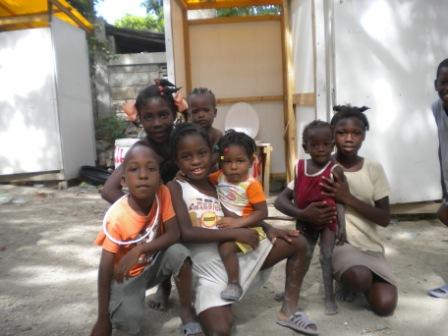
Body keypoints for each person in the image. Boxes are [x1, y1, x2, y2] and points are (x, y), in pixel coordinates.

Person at [167, 123, 318, 336]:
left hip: (236, 255)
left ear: (212, 155)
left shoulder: (218, 182)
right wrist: (234, 233)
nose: (196, 161)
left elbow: (236, 215)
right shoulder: (175, 187)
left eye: (202, 154)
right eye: (186, 157)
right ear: (177, 160)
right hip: (208, 270)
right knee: (220, 330)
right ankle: (210, 303)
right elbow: (185, 232)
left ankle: (289, 310)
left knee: (298, 242)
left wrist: (268, 228)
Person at [275, 105, 397, 317]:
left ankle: (360, 278)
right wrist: (303, 214)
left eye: (356, 133)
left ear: (364, 137)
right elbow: (286, 197)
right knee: (358, 277)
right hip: (342, 243)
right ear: (333, 136)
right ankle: (350, 278)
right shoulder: (317, 165)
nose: (349, 138)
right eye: (341, 133)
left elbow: (385, 218)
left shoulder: (373, 169)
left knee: (385, 306)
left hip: (369, 246)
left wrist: (347, 198)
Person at [91, 142, 203, 336]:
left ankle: (186, 310)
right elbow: (105, 269)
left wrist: (140, 249)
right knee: (128, 324)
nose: (143, 175)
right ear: (124, 181)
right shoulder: (118, 216)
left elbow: (173, 233)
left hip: (152, 267)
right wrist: (102, 319)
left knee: (179, 253)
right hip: (126, 278)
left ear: (159, 177)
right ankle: (117, 310)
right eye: (134, 169)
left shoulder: (163, 193)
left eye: (151, 169)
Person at [101, 80, 182, 311]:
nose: (157, 123)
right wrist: (142, 211)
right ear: (140, 118)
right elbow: (109, 189)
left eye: (164, 114)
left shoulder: (182, 139)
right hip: (160, 212)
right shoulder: (142, 149)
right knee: (165, 234)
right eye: (149, 117)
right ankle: (163, 287)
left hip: (186, 206)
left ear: (174, 113)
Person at [274, 120, 346, 315]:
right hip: (305, 219)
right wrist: (302, 213)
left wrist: (342, 227)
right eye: (315, 145)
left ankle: (329, 297)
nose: (321, 149)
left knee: (327, 256)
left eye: (325, 144)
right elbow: (289, 195)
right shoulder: (300, 168)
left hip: (328, 221)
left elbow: (341, 200)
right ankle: (290, 289)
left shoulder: (335, 170)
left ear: (332, 146)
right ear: (306, 147)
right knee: (302, 256)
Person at [208, 130, 268, 302]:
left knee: (226, 247)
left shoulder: (251, 185)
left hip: (250, 227)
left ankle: (234, 283)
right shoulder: (219, 177)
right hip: (227, 225)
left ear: (251, 161)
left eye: (240, 161)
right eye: (227, 161)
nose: (233, 167)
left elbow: (262, 212)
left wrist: (238, 223)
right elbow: (203, 182)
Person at [428, 58, 448, 298]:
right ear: (436, 84)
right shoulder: (437, 108)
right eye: (444, 82)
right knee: (443, 213)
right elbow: (442, 145)